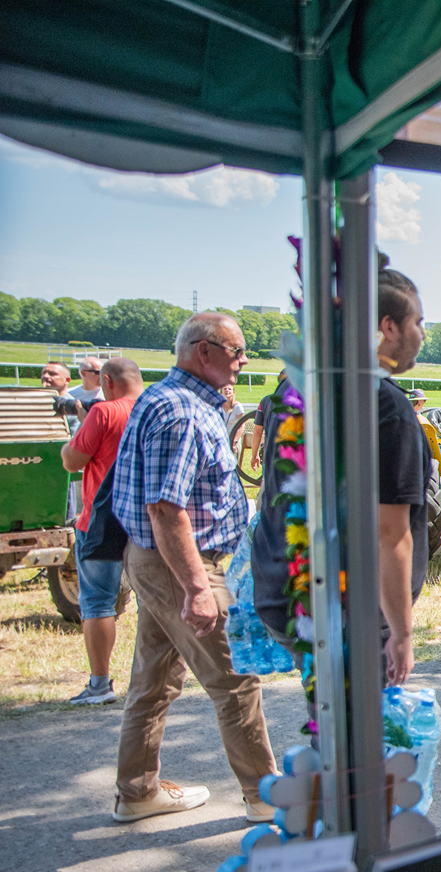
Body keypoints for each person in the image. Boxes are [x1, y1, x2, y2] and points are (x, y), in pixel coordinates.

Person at [110, 313, 278, 823]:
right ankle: (266, 798)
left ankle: (137, 792)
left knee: (154, 679)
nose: (243, 360)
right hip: (181, 564)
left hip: (158, 560)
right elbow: (166, 509)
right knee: (236, 679)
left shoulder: (169, 398)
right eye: (236, 350)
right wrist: (198, 587)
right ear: (203, 351)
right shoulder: (182, 412)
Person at [255, 267, 429, 686]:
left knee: (328, 715)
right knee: (359, 724)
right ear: (388, 327)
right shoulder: (386, 407)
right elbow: (389, 534)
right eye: (418, 322)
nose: (422, 335)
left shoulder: (296, 392)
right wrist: (402, 634)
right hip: (354, 612)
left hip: (289, 594)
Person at [59, 357, 142, 705]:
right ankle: (150, 680)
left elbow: (72, 460)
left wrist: (75, 434)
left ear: (106, 381)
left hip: (102, 519)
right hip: (147, 519)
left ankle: (100, 684)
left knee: (97, 603)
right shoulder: (153, 409)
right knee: (152, 603)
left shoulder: (104, 412)